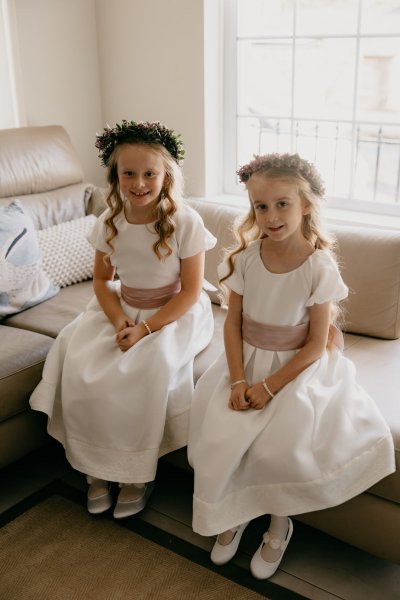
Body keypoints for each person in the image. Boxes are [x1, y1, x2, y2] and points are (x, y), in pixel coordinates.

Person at [188, 152, 395, 579]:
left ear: (305, 206)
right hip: (246, 362)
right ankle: (233, 511)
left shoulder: (317, 266)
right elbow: (232, 328)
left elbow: (316, 344)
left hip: (297, 367)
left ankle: (279, 523)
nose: (270, 215)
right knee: (220, 432)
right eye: (261, 206)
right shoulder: (245, 258)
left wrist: (268, 387)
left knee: (278, 443)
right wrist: (240, 379)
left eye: (282, 203)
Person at [30, 119, 215, 519]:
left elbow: (190, 291)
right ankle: (95, 470)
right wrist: (119, 323)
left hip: (172, 311)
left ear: (166, 175)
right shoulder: (109, 221)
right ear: (115, 176)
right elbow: (101, 280)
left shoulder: (185, 222)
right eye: (128, 173)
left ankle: (135, 476)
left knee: (149, 368)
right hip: (122, 307)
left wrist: (146, 329)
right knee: (81, 362)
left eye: (150, 173)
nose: (139, 182)